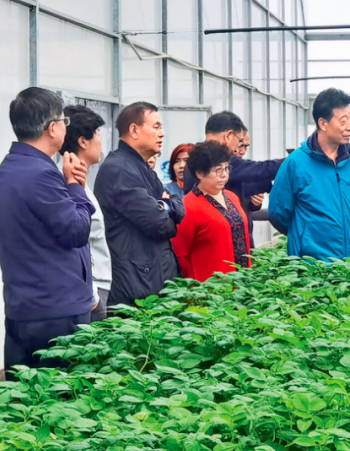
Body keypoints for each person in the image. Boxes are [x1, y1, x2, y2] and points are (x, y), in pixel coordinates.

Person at [0, 88, 96, 374]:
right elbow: (76, 230)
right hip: (55, 312)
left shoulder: (10, 167)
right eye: (64, 121)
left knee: (27, 392)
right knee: (62, 393)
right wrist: (76, 187)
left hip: (26, 306)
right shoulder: (41, 173)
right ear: (52, 128)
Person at [269, 88, 350, 260]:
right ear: (323, 123)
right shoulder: (296, 163)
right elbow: (278, 213)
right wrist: (304, 238)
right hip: (314, 267)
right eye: (343, 121)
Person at [94, 102, 186, 306]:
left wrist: (166, 206)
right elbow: (159, 224)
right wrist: (167, 209)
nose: (162, 134)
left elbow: (176, 203)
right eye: (156, 127)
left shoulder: (140, 167)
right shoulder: (119, 169)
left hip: (150, 279)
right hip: (136, 288)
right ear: (134, 130)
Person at [172, 142, 251, 281]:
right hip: (210, 286)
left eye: (226, 168)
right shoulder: (188, 206)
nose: (224, 175)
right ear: (200, 173)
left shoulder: (232, 197)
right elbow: (180, 255)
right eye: (218, 170)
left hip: (242, 281)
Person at [61, 105, 111, 321]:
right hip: (90, 292)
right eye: (98, 134)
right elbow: (74, 242)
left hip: (96, 288)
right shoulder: (67, 183)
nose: (101, 143)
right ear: (83, 141)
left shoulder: (80, 180)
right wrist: (93, 297)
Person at [182, 111, 283, 197]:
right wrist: (291, 161)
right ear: (228, 136)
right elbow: (261, 169)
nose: (236, 150)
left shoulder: (197, 156)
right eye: (239, 142)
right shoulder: (216, 157)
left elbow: (240, 184)